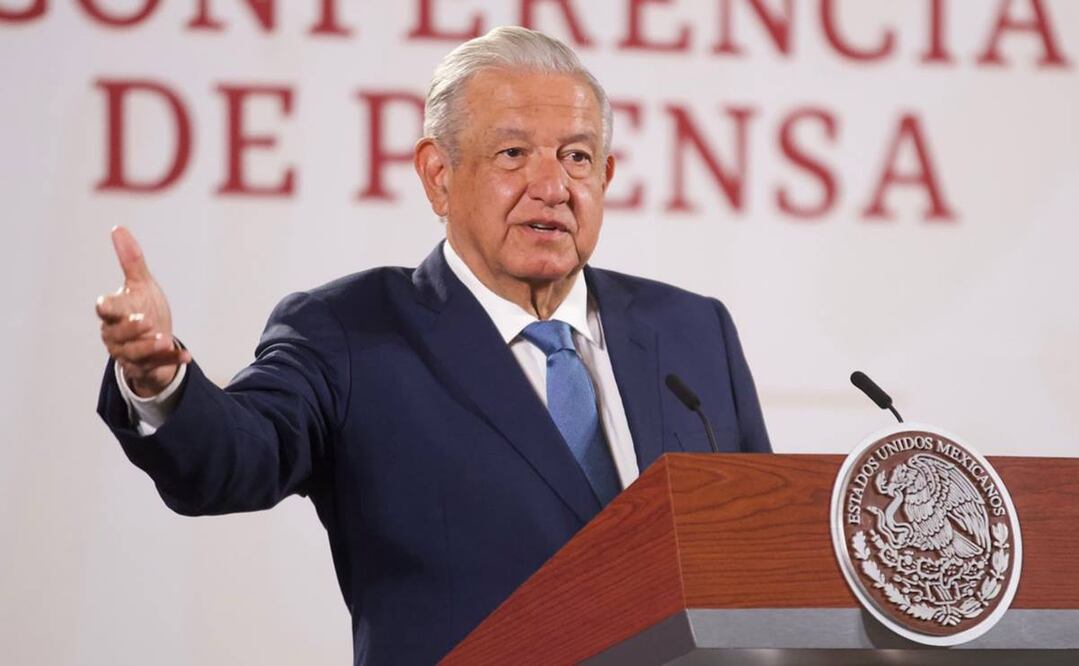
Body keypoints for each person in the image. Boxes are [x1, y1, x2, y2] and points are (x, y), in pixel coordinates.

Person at [95, 26, 771, 665]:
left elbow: (761, 556)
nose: (552, 186)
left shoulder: (691, 330)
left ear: (605, 176)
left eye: (576, 156)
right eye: (513, 154)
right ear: (437, 174)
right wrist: (161, 382)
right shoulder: (349, 330)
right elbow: (233, 458)